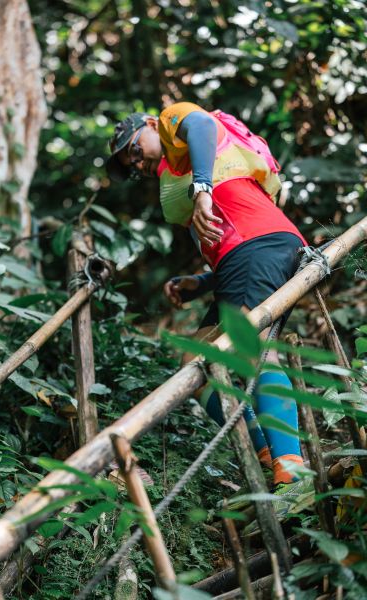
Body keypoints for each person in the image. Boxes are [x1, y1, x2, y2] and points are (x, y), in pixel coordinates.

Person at [106, 102, 306, 489]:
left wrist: (201, 190)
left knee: (254, 349)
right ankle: (267, 451)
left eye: (135, 150)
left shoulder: (175, 122)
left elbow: (200, 123)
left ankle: (291, 467)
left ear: (151, 125)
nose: (139, 164)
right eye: (133, 166)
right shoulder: (176, 168)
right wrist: (201, 282)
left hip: (259, 245)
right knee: (195, 366)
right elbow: (226, 240)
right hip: (244, 258)